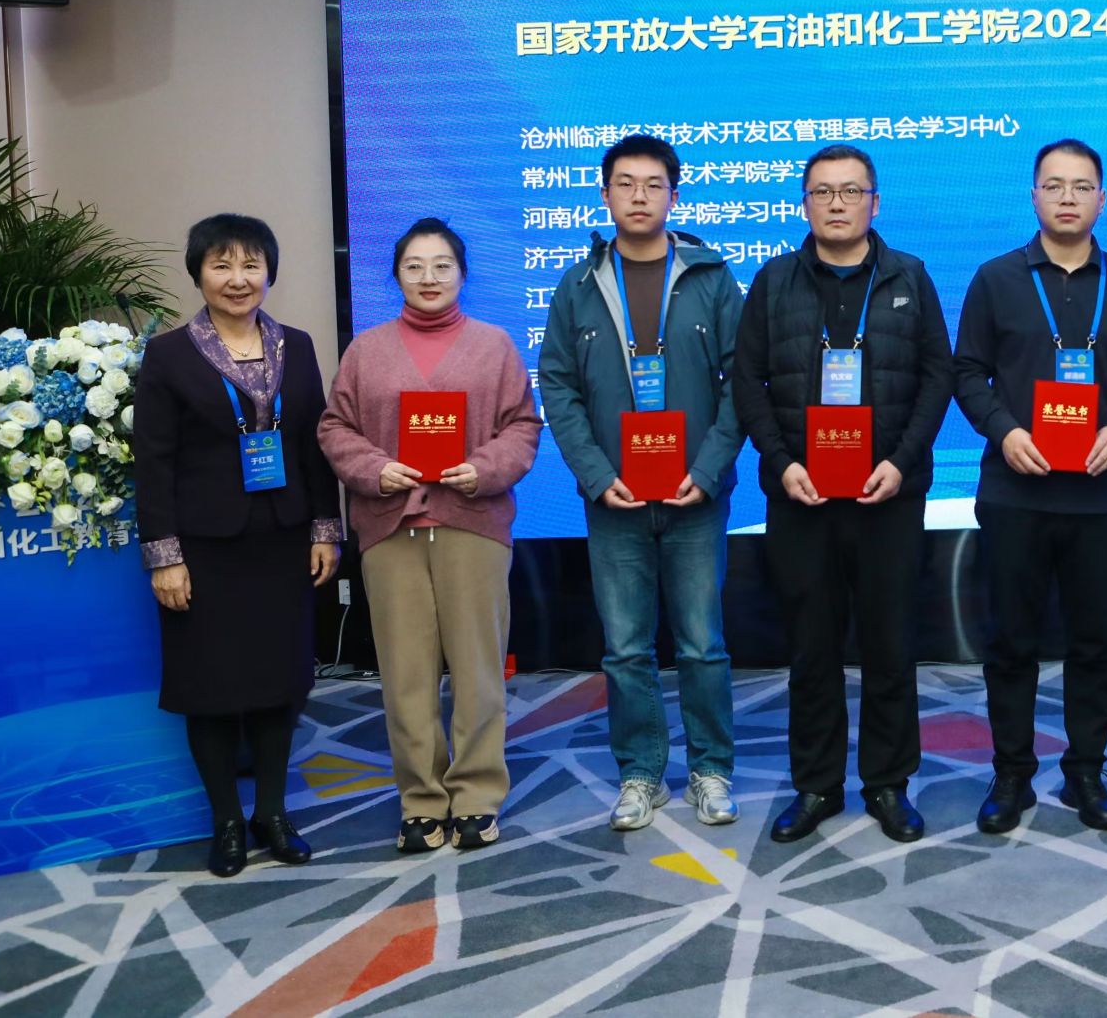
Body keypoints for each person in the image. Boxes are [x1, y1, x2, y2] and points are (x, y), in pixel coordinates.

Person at [732, 146, 954, 844]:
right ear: (804, 203)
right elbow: (746, 381)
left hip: (887, 496)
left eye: (851, 191)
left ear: (874, 203)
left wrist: (901, 462)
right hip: (801, 499)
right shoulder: (774, 281)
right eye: (822, 191)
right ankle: (817, 784)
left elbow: (937, 376)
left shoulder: (909, 277)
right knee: (812, 649)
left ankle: (888, 782)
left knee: (891, 645)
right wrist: (780, 463)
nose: (836, 203)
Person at [953, 139, 1107, 834]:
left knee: (1094, 639)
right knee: (1011, 639)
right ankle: (1011, 774)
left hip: (1098, 495)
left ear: (1102, 199)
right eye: (1054, 185)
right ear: (1034, 196)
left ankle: (1085, 771)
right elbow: (966, 370)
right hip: (1014, 490)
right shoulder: (996, 278)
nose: (1067, 197)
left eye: (1081, 186)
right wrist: (1005, 431)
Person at [538, 134, 747, 833]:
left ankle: (711, 770)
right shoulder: (578, 284)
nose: (639, 196)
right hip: (615, 500)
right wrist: (596, 476)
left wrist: (708, 470)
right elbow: (558, 386)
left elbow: (742, 382)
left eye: (653, 184)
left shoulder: (711, 278)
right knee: (625, 647)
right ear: (605, 195)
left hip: (695, 496)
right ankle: (640, 773)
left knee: (701, 643)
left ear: (674, 196)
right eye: (625, 184)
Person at [318, 218, 543, 852]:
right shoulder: (366, 351)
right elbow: (335, 428)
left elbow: (523, 426)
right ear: (395, 275)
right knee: (405, 675)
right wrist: (374, 470)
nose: (428, 277)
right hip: (391, 530)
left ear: (463, 274)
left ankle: (475, 795)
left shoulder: (494, 346)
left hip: (473, 524)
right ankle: (420, 800)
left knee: (478, 671)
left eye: (442, 265)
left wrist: (486, 469)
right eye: (414, 266)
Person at [133, 214, 343, 877]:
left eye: (251, 264)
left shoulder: (296, 347)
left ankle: (272, 814)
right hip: (204, 549)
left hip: (282, 541)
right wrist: (164, 556)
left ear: (269, 272)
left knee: (281, 683)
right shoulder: (170, 354)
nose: (237, 278)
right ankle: (226, 820)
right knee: (212, 687)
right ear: (198, 272)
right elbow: (153, 462)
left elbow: (313, 445)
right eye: (221, 264)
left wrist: (325, 529)